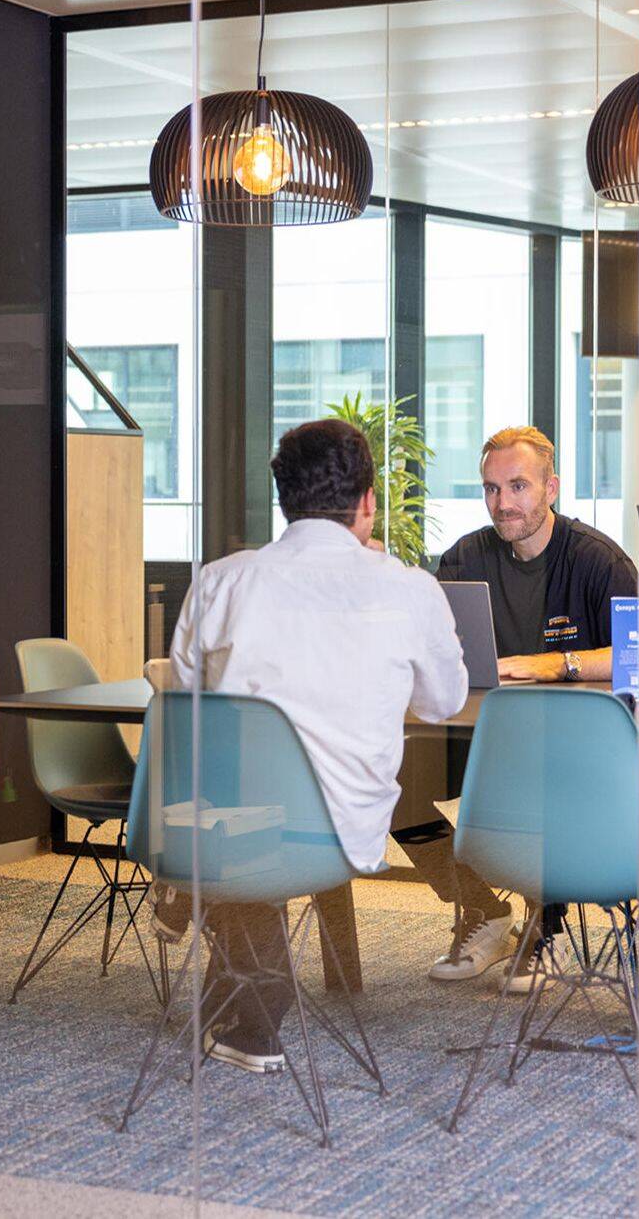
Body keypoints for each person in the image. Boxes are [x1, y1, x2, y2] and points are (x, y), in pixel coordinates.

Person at [151, 417, 469, 1074]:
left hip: (239, 831)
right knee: (234, 829)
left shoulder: (221, 582)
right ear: (368, 502)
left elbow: (185, 700)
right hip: (344, 837)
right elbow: (443, 703)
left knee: (206, 809)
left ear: (283, 501)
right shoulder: (408, 588)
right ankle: (241, 996)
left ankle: (240, 969)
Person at [422, 425, 639, 989]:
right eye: (491, 489)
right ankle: (484, 909)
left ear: (550, 488)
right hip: (483, 736)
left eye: (518, 486)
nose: (503, 503)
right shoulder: (465, 557)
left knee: (543, 769)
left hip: (573, 746)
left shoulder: (599, 559)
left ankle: (545, 931)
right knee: (394, 787)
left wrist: (556, 664)